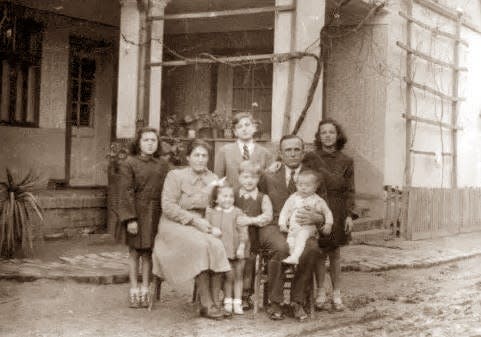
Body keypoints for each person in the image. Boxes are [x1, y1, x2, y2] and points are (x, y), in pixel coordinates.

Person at [151, 139, 231, 320]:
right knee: (200, 245)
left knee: (217, 245)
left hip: (203, 223)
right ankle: (206, 304)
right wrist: (195, 221)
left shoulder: (214, 180)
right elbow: (168, 207)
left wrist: (212, 222)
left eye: (204, 155)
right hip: (174, 225)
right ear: (188, 157)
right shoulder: (175, 176)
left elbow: (219, 206)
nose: (201, 159)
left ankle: (216, 303)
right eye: (196, 155)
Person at [258, 134, 326, 321]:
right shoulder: (268, 175)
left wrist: (316, 217)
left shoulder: (314, 177)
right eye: (288, 150)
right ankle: (275, 302)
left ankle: (297, 301)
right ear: (280, 153)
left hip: (303, 225)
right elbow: (257, 202)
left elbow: (324, 208)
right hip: (273, 224)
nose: (293, 154)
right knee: (280, 247)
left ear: (303, 152)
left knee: (311, 249)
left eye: (297, 149)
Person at [303, 118, 356, 312]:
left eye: (331, 132)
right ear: (318, 136)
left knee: (334, 253)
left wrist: (350, 215)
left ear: (338, 135)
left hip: (339, 209)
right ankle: (320, 292)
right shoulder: (311, 158)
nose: (327, 135)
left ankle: (337, 294)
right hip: (317, 207)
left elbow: (350, 190)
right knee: (319, 252)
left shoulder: (347, 161)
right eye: (323, 132)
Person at [116, 127, 169, 308]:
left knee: (147, 252)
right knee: (134, 252)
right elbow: (125, 192)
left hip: (154, 212)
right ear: (138, 143)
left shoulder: (162, 165)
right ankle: (133, 290)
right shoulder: (129, 163)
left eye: (153, 140)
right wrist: (130, 218)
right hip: (135, 211)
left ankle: (145, 289)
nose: (150, 143)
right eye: (146, 140)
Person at [234, 160, 273, 310]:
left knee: (249, 264)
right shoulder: (234, 194)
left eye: (253, 177)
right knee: (233, 264)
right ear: (239, 177)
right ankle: (230, 294)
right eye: (245, 177)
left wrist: (250, 220)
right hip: (234, 236)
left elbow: (267, 216)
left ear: (258, 179)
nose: (249, 181)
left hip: (253, 237)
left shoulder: (263, 198)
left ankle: (245, 295)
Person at [205, 181, 248, 315]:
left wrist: (241, 246)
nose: (228, 199)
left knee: (237, 276)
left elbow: (243, 231)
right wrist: (212, 229)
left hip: (236, 250)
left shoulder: (237, 212)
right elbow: (206, 227)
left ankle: (238, 301)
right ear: (216, 198)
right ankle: (228, 300)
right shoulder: (211, 212)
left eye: (231, 196)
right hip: (220, 251)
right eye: (224, 196)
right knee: (227, 276)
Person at [278, 170, 333, 265]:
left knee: (301, 238)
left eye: (307, 186)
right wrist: (282, 223)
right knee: (290, 243)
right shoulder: (293, 197)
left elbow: (327, 213)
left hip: (308, 229)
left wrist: (328, 224)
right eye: (300, 185)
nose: (303, 188)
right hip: (293, 229)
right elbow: (285, 211)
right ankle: (294, 261)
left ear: (315, 187)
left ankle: (295, 257)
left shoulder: (317, 200)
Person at [214, 111, 272, 189]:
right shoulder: (224, 151)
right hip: (232, 199)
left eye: (247, 125)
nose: (244, 129)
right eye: (239, 127)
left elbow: (269, 183)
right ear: (235, 132)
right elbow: (219, 180)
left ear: (254, 128)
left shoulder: (265, 153)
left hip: (256, 199)